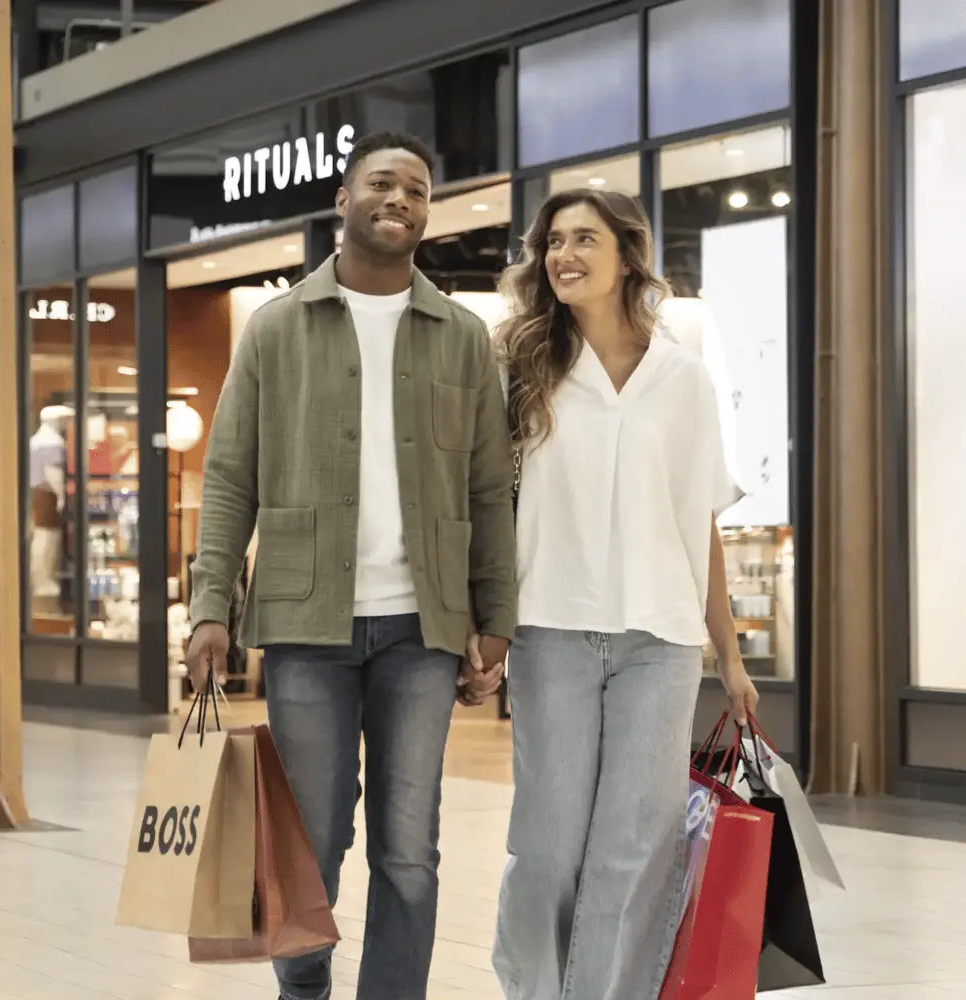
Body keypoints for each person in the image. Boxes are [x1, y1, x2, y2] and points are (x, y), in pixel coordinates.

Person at [186, 130, 517, 1000]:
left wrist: (495, 622)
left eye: (417, 189)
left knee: (409, 848)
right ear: (342, 200)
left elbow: (490, 491)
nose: (399, 199)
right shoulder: (276, 329)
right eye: (381, 183)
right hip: (303, 621)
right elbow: (227, 479)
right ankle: (304, 986)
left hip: (422, 627)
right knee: (312, 838)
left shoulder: (460, 337)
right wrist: (208, 607)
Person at [469, 189, 760, 1000]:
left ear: (627, 254)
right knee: (549, 846)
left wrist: (729, 657)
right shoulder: (520, 366)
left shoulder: (682, 377)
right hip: (550, 633)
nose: (562, 254)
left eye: (583, 239)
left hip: (658, 643)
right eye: (552, 241)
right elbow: (486, 507)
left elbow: (695, 520)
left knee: (634, 849)